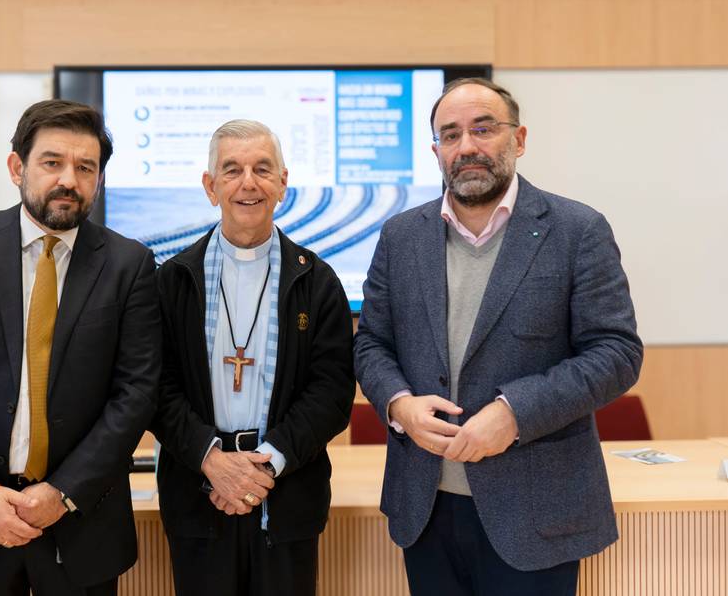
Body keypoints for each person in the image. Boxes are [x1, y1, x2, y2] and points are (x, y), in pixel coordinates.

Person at [354, 78, 643, 595]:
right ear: (436, 150)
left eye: (483, 129)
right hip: (425, 506)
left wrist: (515, 413)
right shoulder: (400, 236)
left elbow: (616, 353)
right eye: (451, 134)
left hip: (536, 511)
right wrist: (398, 405)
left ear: (520, 138)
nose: (467, 146)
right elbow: (372, 342)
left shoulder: (577, 230)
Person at [0, 99, 160, 595]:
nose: (69, 180)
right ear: (18, 166)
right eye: (52, 162)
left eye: (86, 167)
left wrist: (63, 492)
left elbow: (136, 394)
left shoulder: (130, 265)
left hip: (80, 522)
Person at [151, 119, 355, 595]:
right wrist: (213, 461)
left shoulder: (318, 281)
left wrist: (263, 465)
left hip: (286, 495)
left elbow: (332, 392)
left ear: (283, 183)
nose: (248, 183)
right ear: (210, 186)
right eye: (232, 169)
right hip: (198, 491)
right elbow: (156, 387)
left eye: (263, 169)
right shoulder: (173, 280)